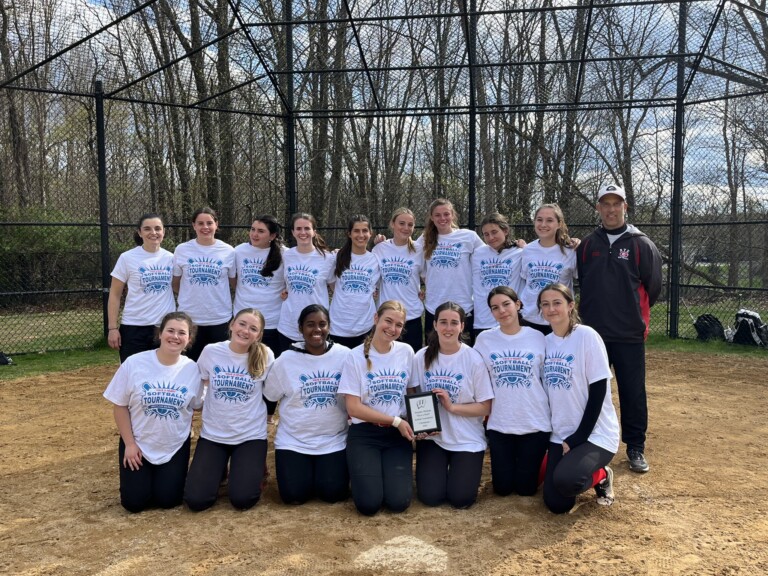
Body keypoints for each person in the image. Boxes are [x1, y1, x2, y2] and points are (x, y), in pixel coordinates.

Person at [576, 184, 662, 473]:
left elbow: (653, 288)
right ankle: (589, 439)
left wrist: (634, 318)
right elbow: (583, 281)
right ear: (598, 208)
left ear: (625, 207)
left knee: (632, 391)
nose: (611, 209)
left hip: (628, 334)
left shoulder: (641, 244)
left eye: (616, 204)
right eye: (605, 204)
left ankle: (635, 446)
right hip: (594, 334)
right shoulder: (588, 245)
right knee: (592, 389)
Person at [103, 311, 202, 513]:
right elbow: (120, 405)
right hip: (138, 441)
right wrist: (129, 444)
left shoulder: (193, 369)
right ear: (160, 334)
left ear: (189, 339)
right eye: (170, 330)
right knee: (134, 503)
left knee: (168, 500)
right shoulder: (135, 363)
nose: (175, 336)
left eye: (181, 333)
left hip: (174, 444)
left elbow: (198, 405)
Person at [538, 283, 619, 513]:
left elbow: (598, 391)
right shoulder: (544, 343)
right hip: (560, 433)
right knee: (557, 504)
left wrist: (578, 437)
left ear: (570, 305)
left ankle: (602, 474)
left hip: (594, 433)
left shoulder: (586, 336)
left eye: (557, 303)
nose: (551, 309)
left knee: (566, 481)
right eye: (545, 304)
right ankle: (564, 465)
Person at [183, 308, 274, 511]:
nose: (245, 331)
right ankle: (219, 467)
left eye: (253, 328)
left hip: (250, 435)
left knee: (243, 499)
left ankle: (255, 467)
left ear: (258, 335)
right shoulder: (211, 351)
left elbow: (271, 391)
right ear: (231, 324)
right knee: (197, 500)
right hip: (214, 434)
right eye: (241, 324)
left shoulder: (265, 354)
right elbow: (203, 381)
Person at [264, 304, 351, 505]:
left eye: (322, 324)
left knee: (333, 494)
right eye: (310, 324)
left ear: (329, 327)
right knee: (294, 497)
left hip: (333, 440)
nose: (317, 330)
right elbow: (270, 395)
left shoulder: (345, 356)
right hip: (294, 441)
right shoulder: (286, 360)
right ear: (300, 328)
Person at [338, 300, 417, 516]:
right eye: (388, 321)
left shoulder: (407, 352)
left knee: (398, 502)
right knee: (368, 505)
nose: (392, 329)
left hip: (396, 436)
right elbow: (353, 407)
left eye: (399, 325)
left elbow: (412, 392)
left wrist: (421, 423)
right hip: (365, 434)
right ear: (376, 319)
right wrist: (396, 421)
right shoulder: (354, 357)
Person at [412, 301, 493, 508]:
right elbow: (413, 394)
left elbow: (485, 406)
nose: (448, 328)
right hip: (433, 439)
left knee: (461, 499)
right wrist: (417, 426)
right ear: (435, 325)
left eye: (454, 323)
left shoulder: (473, 359)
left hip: (466, 438)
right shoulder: (421, 357)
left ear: (462, 327)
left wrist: (451, 407)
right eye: (443, 322)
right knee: (431, 497)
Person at [474, 286, 550, 497]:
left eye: (506, 304)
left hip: (535, 423)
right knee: (503, 489)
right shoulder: (484, 340)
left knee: (527, 490)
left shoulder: (539, 337)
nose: (502, 311)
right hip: (500, 425)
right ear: (491, 313)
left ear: (517, 305)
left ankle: (550, 467)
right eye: (495, 307)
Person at [233, 215, 286, 423]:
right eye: (253, 229)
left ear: (272, 236)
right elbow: (232, 279)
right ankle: (242, 409)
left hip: (272, 322)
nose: (254, 234)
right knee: (243, 367)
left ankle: (268, 414)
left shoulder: (284, 255)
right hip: (243, 321)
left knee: (267, 369)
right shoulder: (238, 251)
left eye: (261, 231)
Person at [107, 213, 177, 362]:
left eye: (158, 228)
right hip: (134, 326)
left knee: (163, 375)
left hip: (164, 327)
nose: (153, 233)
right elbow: (114, 294)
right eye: (147, 229)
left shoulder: (172, 258)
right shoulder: (127, 258)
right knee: (133, 375)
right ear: (140, 232)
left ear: (164, 231)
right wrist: (112, 328)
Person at [172, 207, 236, 361]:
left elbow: (233, 283)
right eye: (200, 223)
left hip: (220, 319)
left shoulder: (228, 251)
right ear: (194, 226)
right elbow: (175, 283)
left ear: (216, 224)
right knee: (189, 365)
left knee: (217, 366)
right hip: (190, 319)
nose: (205, 227)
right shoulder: (182, 250)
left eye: (209, 223)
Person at [419, 198, 485, 344]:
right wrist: (383, 242)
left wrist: (514, 245)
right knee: (433, 355)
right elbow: (406, 254)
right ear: (431, 217)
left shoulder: (469, 236)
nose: (442, 218)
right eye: (437, 215)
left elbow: (489, 254)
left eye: (446, 214)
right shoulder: (424, 239)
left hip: (463, 306)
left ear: (453, 215)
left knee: (464, 355)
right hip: (434, 307)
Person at [277, 213, 336, 351]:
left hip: (316, 326)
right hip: (288, 324)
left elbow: (336, 288)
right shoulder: (286, 255)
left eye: (307, 228)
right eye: (298, 228)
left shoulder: (328, 258)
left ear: (314, 231)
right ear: (292, 232)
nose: (302, 232)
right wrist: (284, 292)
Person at [372, 207, 425, 352]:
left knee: (412, 362)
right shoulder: (379, 249)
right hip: (386, 317)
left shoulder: (419, 249)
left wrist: (426, 292)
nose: (406, 228)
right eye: (401, 223)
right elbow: (372, 280)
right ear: (392, 224)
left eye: (410, 224)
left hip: (411, 315)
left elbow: (429, 277)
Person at [519, 204, 577, 335]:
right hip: (530, 319)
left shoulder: (571, 251)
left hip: (559, 321)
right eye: (539, 220)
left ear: (559, 224)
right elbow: (526, 282)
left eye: (549, 220)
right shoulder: (527, 250)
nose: (543, 224)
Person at [329, 215, 381, 348]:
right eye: (356, 231)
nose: (361, 235)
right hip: (338, 326)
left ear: (371, 233)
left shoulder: (376, 259)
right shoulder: (337, 256)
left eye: (365, 231)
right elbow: (331, 282)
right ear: (349, 234)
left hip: (365, 326)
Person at [471, 212, 524, 341]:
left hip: (511, 319)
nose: (491, 237)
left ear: (505, 230)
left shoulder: (520, 252)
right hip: (483, 320)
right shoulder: (476, 254)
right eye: (486, 234)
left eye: (494, 232)